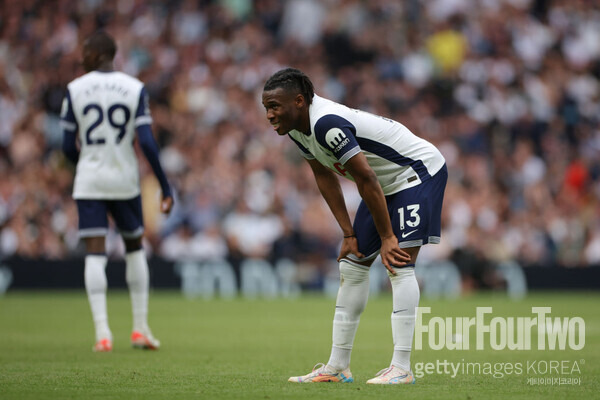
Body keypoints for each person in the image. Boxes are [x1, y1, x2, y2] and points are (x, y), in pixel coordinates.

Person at [262, 68, 447, 384]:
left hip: (415, 173)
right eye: (266, 107)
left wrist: (388, 236)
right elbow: (324, 175)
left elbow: (366, 178)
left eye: (275, 106)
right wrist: (348, 233)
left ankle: (401, 368)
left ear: (298, 101)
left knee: (398, 264)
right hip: (383, 184)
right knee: (352, 266)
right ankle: (337, 367)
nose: (269, 115)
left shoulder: (326, 124)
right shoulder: (296, 128)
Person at [60, 31, 174, 352]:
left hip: (90, 180)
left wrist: (85, 163)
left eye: (84, 50)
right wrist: (164, 186)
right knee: (134, 248)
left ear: (98, 54)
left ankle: (102, 334)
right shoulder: (133, 87)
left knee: (95, 252)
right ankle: (140, 329)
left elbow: (67, 145)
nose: (80, 56)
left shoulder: (75, 89)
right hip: (125, 179)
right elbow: (147, 142)